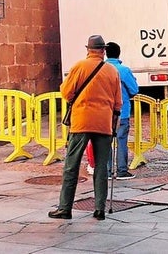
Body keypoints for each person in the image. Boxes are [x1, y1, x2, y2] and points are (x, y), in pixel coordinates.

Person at [49, 34, 122, 221]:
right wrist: (114, 123)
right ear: (103, 51)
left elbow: (66, 93)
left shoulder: (79, 67)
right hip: (103, 123)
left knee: (71, 166)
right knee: (101, 167)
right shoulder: (112, 71)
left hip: (81, 122)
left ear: (88, 49)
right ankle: (99, 209)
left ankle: (65, 208)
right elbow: (117, 103)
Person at [105, 41, 139, 180]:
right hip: (121, 112)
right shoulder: (124, 70)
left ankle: (106, 171)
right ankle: (121, 170)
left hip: (104, 113)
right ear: (119, 53)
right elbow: (134, 90)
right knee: (121, 141)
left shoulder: (101, 69)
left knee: (105, 142)